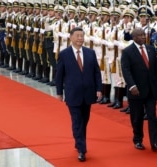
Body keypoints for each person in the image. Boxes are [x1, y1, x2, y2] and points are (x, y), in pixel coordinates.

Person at [55, 27, 102, 162]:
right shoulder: (64, 54)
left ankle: (78, 140)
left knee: (84, 120)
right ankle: (82, 149)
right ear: (71, 37)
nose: (80, 38)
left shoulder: (90, 53)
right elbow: (59, 75)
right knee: (77, 121)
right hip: (72, 93)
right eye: (77, 36)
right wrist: (59, 92)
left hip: (88, 93)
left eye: (82, 36)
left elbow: (96, 73)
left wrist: (98, 89)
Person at [121, 28, 157, 151]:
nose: (143, 37)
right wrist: (132, 86)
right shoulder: (127, 52)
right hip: (136, 90)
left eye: (144, 35)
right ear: (134, 37)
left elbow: (156, 68)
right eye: (140, 35)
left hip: (150, 89)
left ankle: (155, 142)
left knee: (152, 116)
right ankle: (138, 139)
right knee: (137, 117)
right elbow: (126, 71)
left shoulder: (151, 49)